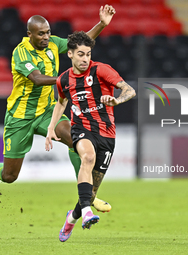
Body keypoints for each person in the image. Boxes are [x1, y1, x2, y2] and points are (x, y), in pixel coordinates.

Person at [0, 5, 116, 213]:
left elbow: (80, 44)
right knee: (9, 176)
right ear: (29, 34)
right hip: (20, 117)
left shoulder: (52, 44)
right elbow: (37, 79)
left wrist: (102, 24)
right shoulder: (21, 53)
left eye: (48, 32)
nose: (46, 37)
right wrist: (64, 80)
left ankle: (88, 194)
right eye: (41, 34)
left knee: (76, 138)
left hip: (48, 111)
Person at [45, 31, 136, 242]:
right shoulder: (64, 79)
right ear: (70, 55)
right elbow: (61, 102)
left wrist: (116, 101)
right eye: (80, 54)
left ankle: (73, 216)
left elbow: (130, 90)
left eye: (87, 54)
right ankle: (87, 211)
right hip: (81, 128)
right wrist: (51, 129)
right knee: (87, 157)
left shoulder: (101, 70)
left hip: (107, 134)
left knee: (92, 192)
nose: (85, 59)